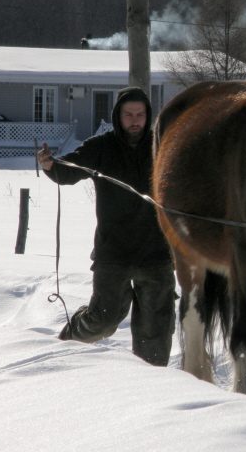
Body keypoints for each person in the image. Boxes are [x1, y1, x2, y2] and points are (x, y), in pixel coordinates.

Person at [37, 86, 176, 367]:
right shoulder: (101, 147)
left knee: (156, 332)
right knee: (102, 321)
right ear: (117, 116)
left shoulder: (162, 146)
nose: (135, 120)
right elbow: (68, 170)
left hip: (157, 255)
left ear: (149, 116)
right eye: (128, 115)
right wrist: (51, 165)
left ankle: (153, 387)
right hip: (113, 254)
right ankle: (67, 343)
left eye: (140, 115)